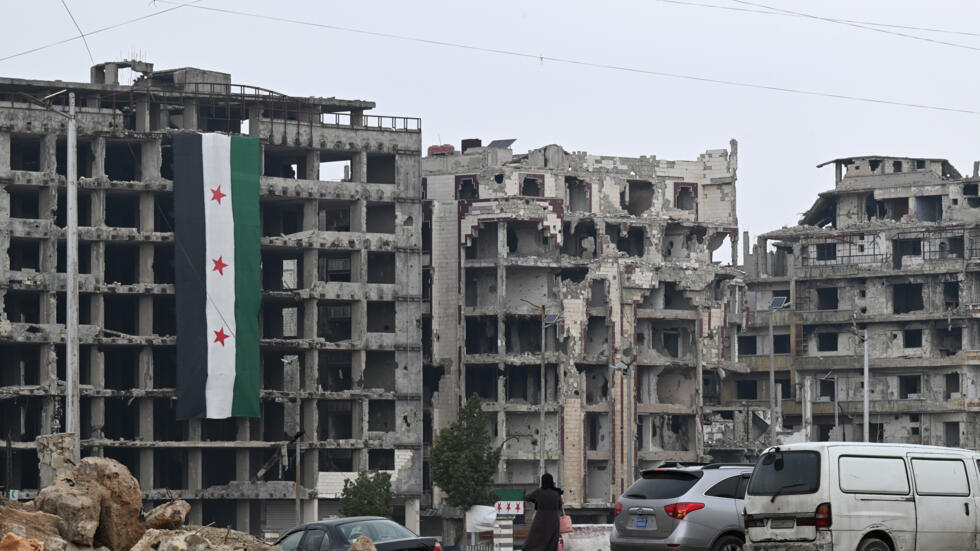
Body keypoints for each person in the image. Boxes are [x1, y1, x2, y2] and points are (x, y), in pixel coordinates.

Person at [524, 473, 564, 551]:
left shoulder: (539, 492)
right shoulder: (557, 493)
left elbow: (527, 497)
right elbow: (560, 505)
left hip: (541, 519)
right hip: (554, 520)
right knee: (552, 541)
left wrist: (535, 501)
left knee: (536, 538)